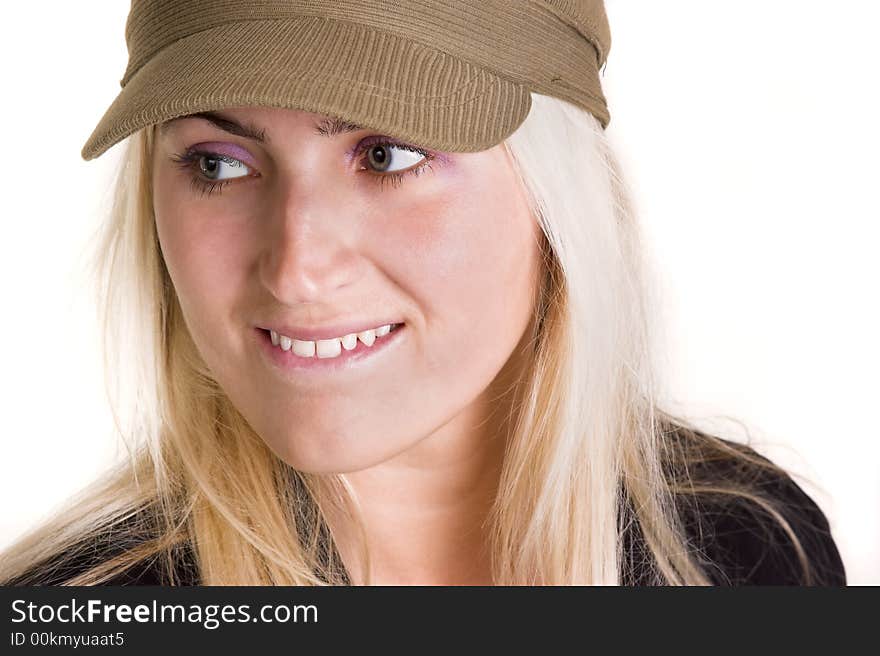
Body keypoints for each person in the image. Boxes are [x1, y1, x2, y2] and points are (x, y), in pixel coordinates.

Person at [0, 0, 845, 586]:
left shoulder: (752, 557)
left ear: (555, 194)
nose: (297, 269)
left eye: (387, 155)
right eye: (218, 163)